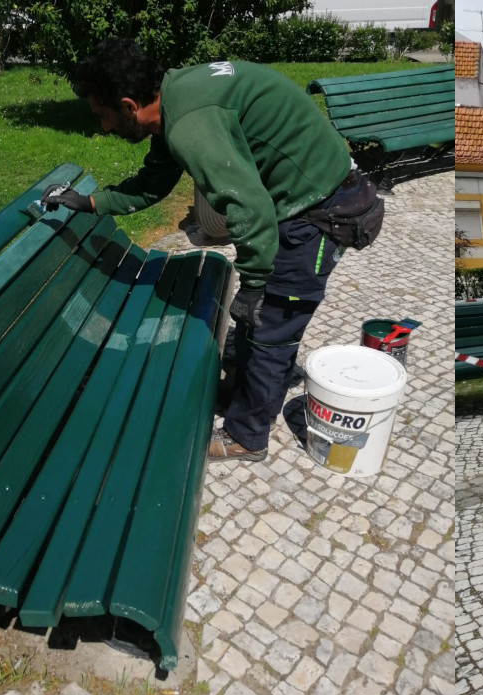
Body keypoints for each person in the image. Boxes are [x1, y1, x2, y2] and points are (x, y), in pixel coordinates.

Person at [40, 38, 382, 463]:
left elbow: (248, 207)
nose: (104, 128)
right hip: (297, 198)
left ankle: (247, 435)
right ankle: (244, 391)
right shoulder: (172, 99)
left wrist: (255, 283)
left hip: (320, 208)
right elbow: (153, 185)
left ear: (129, 105)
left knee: (273, 323)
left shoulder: (188, 126)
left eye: (103, 116)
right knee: (260, 320)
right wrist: (90, 202)